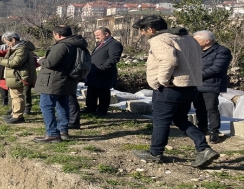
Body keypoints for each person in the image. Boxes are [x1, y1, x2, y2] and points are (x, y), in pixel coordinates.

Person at [131, 15, 219, 168]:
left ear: (151, 29)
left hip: (170, 88)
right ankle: (203, 148)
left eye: (143, 31)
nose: (143, 34)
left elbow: (169, 60)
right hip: (190, 86)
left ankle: (155, 153)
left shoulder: (159, 39)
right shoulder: (188, 39)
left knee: (161, 121)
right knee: (180, 119)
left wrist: (162, 81)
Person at [33, 26, 88, 142]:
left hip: (53, 81)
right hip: (68, 80)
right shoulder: (76, 44)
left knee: (46, 106)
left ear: (57, 34)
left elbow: (50, 63)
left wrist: (41, 60)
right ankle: (63, 131)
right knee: (63, 105)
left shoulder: (62, 45)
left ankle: (52, 133)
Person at [193, 30, 232, 144]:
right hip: (197, 84)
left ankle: (214, 131)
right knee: (199, 108)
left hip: (211, 84)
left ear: (207, 41)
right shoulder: (197, 51)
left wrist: (196, 75)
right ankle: (202, 127)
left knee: (211, 108)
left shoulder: (222, 51)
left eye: (196, 40)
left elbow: (217, 69)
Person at [0, 31, 36, 124]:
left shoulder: (21, 49)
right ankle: (14, 113)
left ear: (13, 40)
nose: (7, 44)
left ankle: (18, 116)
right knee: (14, 96)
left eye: (8, 42)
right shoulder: (15, 48)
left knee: (17, 96)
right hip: (14, 76)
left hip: (18, 76)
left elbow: (15, 63)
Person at [83, 27, 124, 117]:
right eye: (96, 35)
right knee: (92, 91)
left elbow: (113, 58)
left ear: (106, 34)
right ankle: (90, 107)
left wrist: (102, 68)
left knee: (103, 93)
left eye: (98, 35)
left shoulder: (114, 44)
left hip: (104, 74)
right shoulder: (100, 44)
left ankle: (102, 110)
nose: (97, 37)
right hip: (94, 73)